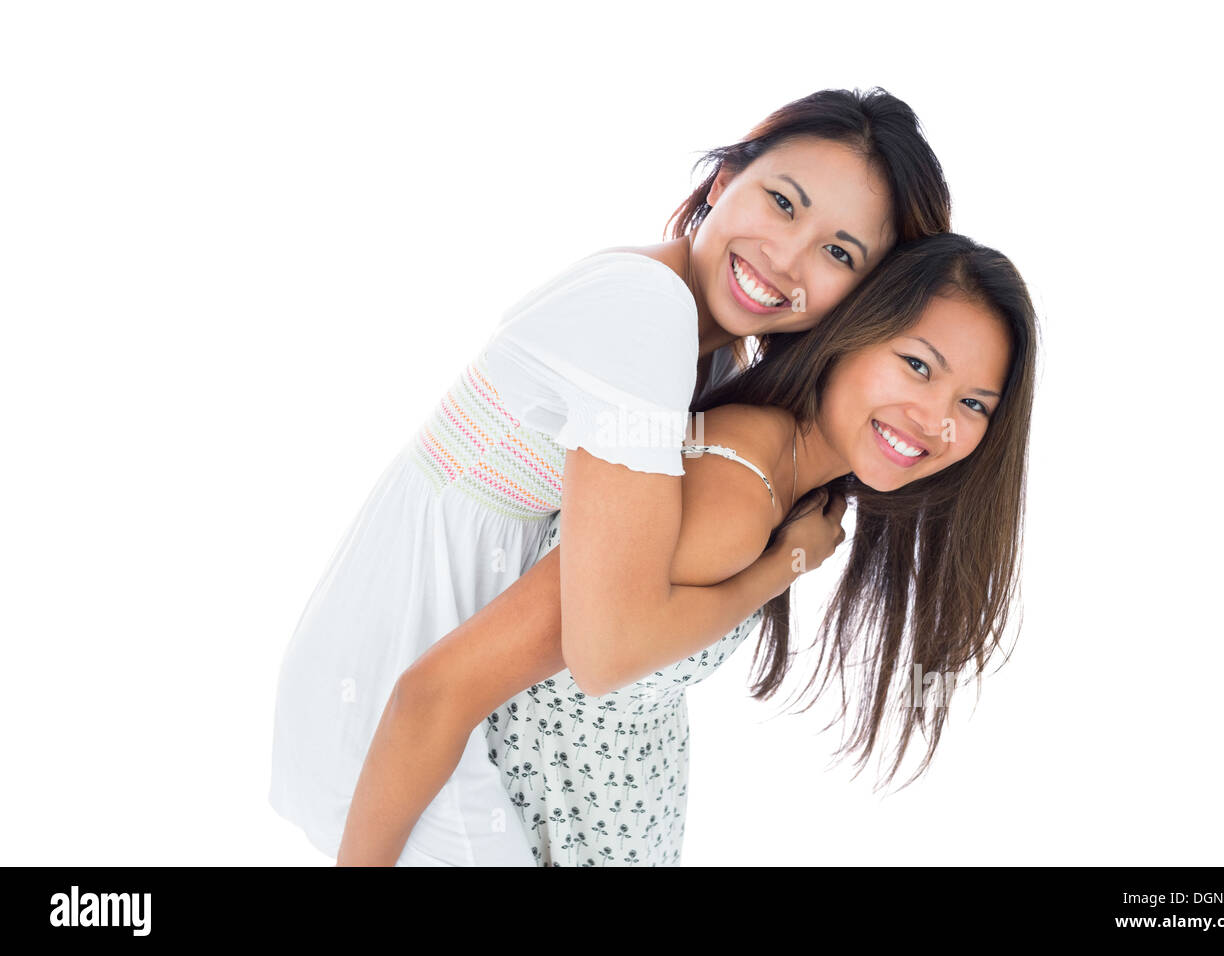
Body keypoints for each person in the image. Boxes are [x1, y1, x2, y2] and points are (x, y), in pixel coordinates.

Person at [270, 86, 952, 865]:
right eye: (782, 202)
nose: (786, 257)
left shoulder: (706, 349)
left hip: (430, 706)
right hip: (397, 710)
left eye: (838, 253)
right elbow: (603, 652)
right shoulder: (646, 315)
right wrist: (781, 565)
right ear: (725, 177)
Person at [339, 232, 1038, 866]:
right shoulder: (734, 493)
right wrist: (780, 568)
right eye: (918, 365)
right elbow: (436, 693)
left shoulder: (779, 472)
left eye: (974, 404)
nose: (937, 421)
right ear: (851, 333)